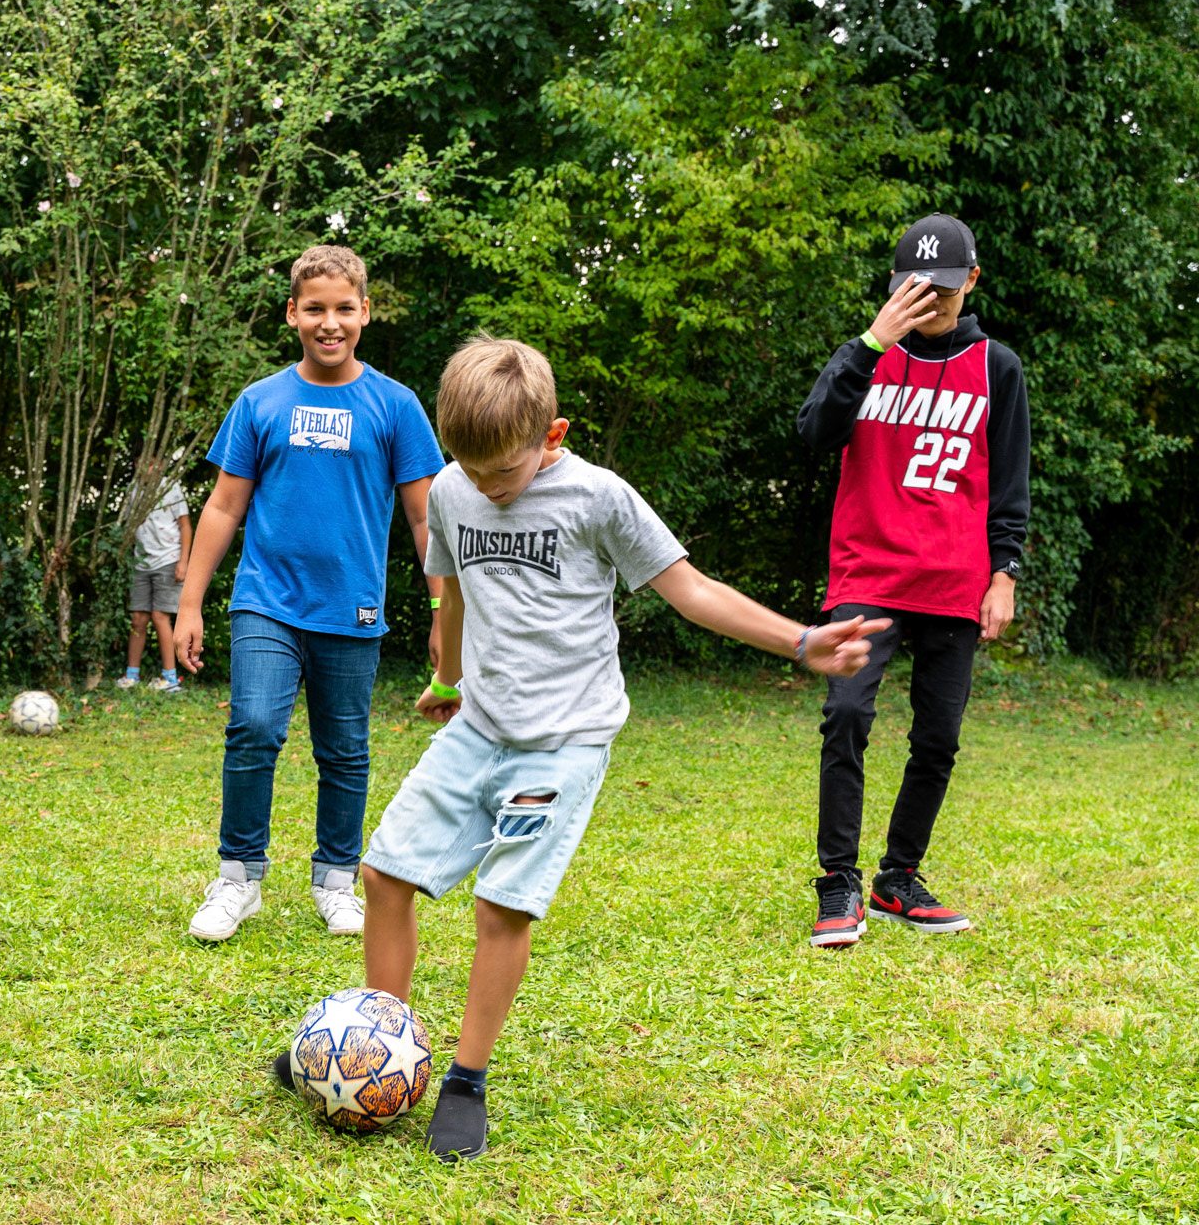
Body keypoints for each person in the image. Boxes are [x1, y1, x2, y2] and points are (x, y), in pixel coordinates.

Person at [273, 336, 887, 1160]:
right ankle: (373, 1046)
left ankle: (465, 1079)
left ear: (553, 434)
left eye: (503, 472)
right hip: (478, 725)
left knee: (501, 905)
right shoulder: (452, 489)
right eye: (470, 470)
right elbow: (453, 597)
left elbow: (692, 591)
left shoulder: (599, 499)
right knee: (384, 874)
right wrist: (449, 680)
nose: (485, 487)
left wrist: (802, 641)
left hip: (563, 743)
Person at [173, 245, 446, 942]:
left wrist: (444, 613)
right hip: (266, 600)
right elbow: (223, 507)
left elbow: (425, 519)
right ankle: (238, 879)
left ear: (365, 313)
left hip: (351, 607)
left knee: (345, 749)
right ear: (292, 313)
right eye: (316, 308)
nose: (331, 322)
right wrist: (190, 603)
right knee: (253, 727)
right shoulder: (259, 402)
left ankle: (336, 881)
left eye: (344, 308)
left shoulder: (395, 406)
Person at [795, 212, 1031, 948]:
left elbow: (1010, 483)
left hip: (954, 580)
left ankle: (897, 879)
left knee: (938, 738)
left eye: (945, 289)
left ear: (973, 282)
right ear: (897, 285)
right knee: (847, 715)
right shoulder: (867, 356)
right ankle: (838, 883)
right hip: (867, 572)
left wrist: (1004, 572)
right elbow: (812, 434)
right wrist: (871, 342)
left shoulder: (997, 367)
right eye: (916, 289)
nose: (930, 302)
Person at [118, 467, 192, 693]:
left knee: (160, 617)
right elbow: (129, 525)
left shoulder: (171, 486)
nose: (145, 468)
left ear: (159, 464)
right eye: (140, 462)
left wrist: (183, 561)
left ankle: (170, 678)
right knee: (138, 619)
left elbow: (185, 526)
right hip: (141, 562)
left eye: (150, 463)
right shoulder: (133, 489)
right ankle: (132, 675)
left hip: (168, 559)